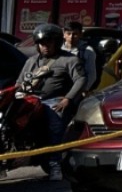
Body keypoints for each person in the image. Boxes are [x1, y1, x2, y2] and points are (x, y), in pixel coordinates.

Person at [15, 23, 87, 181]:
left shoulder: (70, 60)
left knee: (55, 126)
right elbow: (19, 83)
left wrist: (68, 98)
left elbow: (81, 79)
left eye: (49, 43)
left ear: (57, 42)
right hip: (30, 100)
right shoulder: (31, 62)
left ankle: (55, 164)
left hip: (54, 101)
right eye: (42, 43)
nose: (45, 46)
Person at [61, 19, 98, 94]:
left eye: (75, 34)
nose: (71, 37)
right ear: (64, 34)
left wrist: (83, 89)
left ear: (81, 34)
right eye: (68, 34)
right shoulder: (57, 49)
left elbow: (91, 74)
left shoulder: (87, 51)